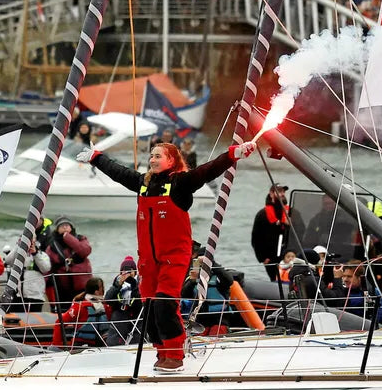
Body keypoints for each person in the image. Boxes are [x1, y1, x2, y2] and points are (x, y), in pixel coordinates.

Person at [76, 140, 256, 372]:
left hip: (174, 258)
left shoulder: (180, 182)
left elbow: (207, 170)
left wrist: (233, 154)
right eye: (151, 156)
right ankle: (162, 352)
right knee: (149, 308)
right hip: (148, 261)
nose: (152, 160)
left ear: (171, 160)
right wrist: (96, 157)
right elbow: (118, 172)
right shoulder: (143, 183)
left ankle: (175, 355)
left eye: (158, 156)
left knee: (164, 305)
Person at [45, 216, 93, 312]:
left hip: (81, 283)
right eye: (62, 226)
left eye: (67, 225)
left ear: (72, 228)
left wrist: (68, 238)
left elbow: (85, 251)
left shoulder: (81, 239)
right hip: (62, 285)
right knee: (64, 310)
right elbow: (48, 265)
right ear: (57, 229)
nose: (65, 227)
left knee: (82, 309)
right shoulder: (52, 246)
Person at [52, 277, 112, 348]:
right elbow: (59, 322)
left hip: (101, 344)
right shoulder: (81, 306)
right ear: (97, 291)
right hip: (81, 345)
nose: (104, 289)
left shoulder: (105, 306)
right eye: (102, 287)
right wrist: (58, 346)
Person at [251, 184, 295, 282]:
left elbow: (301, 232)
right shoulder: (262, 215)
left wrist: (290, 225)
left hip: (291, 256)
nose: (282, 194)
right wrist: (263, 258)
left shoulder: (292, 212)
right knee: (275, 280)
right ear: (271, 194)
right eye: (279, 191)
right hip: (271, 258)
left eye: (283, 192)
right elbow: (256, 239)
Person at [180, 256, 234, 335]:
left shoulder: (219, 278)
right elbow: (184, 294)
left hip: (219, 319)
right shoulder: (193, 280)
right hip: (200, 320)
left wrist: (212, 262)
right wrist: (192, 280)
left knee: (216, 333)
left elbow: (229, 280)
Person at [6, 235, 51, 313]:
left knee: (34, 318)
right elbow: (8, 261)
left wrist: (35, 253)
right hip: (18, 294)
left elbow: (46, 268)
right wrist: (19, 246)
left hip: (35, 294)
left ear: (35, 241)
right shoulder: (17, 252)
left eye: (31, 238)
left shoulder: (41, 254)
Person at [104, 256, 143, 346]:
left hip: (136, 325)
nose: (127, 274)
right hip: (118, 323)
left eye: (130, 271)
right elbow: (107, 300)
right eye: (124, 271)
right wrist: (118, 286)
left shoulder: (139, 284)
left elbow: (140, 305)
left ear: (135, 272)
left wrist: (134, 287)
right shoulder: (117, 284)